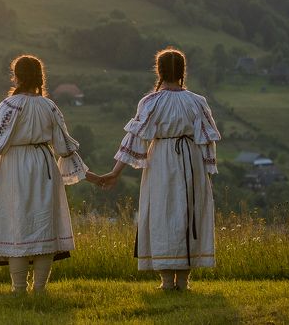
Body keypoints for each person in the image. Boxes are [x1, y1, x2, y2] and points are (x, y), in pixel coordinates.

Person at [0, 54, 88, 295]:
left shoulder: (9, 106)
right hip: (44, 166)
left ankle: (18, 288)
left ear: (17, 76)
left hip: (13, 167)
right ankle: (39, 289)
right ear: (40, 77)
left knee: (16, 225)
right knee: (43, 225)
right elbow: (64, 148)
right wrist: (90, 175)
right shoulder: (49, 106)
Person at [88, 47, 220, 291]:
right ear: (182, 71)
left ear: (159, 71)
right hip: (191, 162)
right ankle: (182, 281)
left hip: (161, 159)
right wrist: (205, 171)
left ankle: (167, 281)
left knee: (163, 215)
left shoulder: (151, 102)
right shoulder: (197, 102)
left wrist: (115, 172)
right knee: (186, 214)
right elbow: (207, 141)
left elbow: (133, 140)